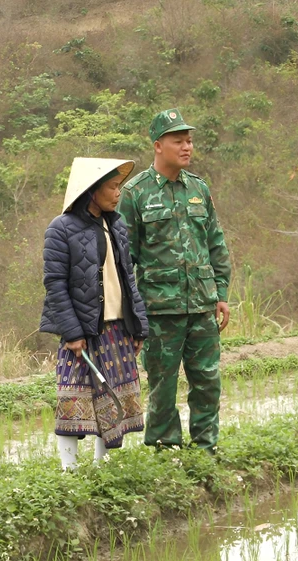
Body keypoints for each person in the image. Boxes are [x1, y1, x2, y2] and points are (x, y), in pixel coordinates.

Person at [118, 108, 232, 453]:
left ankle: (205, 450)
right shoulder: (135, 194)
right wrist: (133, 313)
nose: (187, 147)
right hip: (159, 310)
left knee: (207, 382)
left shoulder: (198, 189)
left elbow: (215, 243)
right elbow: (126, 259)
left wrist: (221, 293)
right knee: (163, 387)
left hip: (201, 305)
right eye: (178, 141)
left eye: (189, 140)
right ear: (158, 145)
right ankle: (166, 452)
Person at [39, 157, 149, 470]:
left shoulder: (116, 225)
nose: (118, 194)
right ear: (91, 191)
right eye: (113, 187)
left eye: (119, 187)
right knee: (73, 398)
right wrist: (71, 332)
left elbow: (128, 278)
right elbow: (55, 285)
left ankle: (103, 467)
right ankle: (69, 471)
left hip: (118, 328)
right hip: (84, 330)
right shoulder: (60, 230)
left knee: (111, 397)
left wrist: (138, 326)